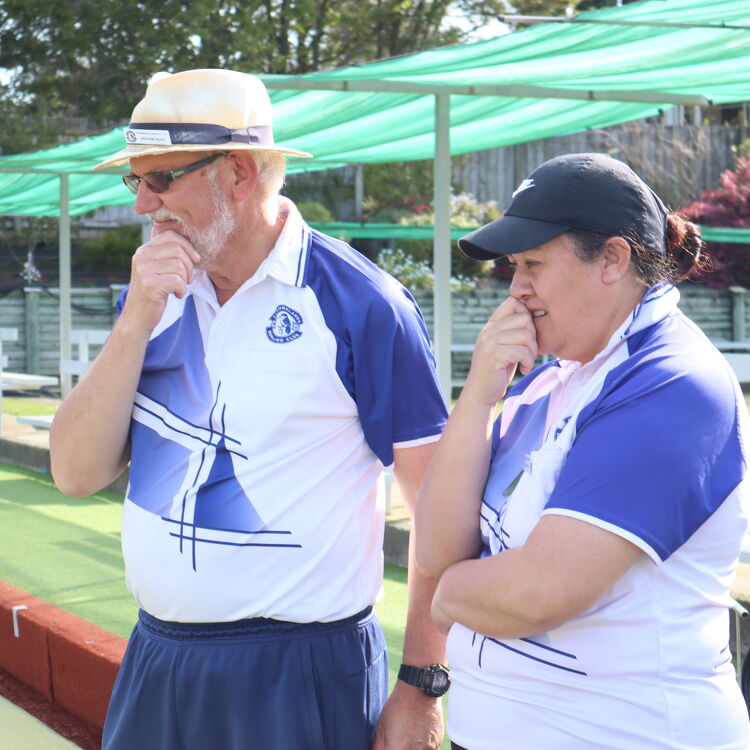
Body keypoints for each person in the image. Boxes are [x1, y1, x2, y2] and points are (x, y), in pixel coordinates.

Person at [49, 68, 449, 750]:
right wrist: (135, 320)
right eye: (135, 180)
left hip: (300, 673)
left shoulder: (362, 305)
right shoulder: (149, 296)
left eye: (161, 179)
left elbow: (442, 509)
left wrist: (421, 685)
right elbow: (75, 473)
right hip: (157, 660)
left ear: (236, 171)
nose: (144, 204)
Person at [415, 152, 750, 750]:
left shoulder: (673, 383)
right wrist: (478, 394)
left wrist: (448, 596)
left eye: (535, 263)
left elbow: (538, 593)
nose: (516, 287)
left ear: (613, 260)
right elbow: (437, 549)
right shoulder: (551, 379)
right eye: (515, 266)